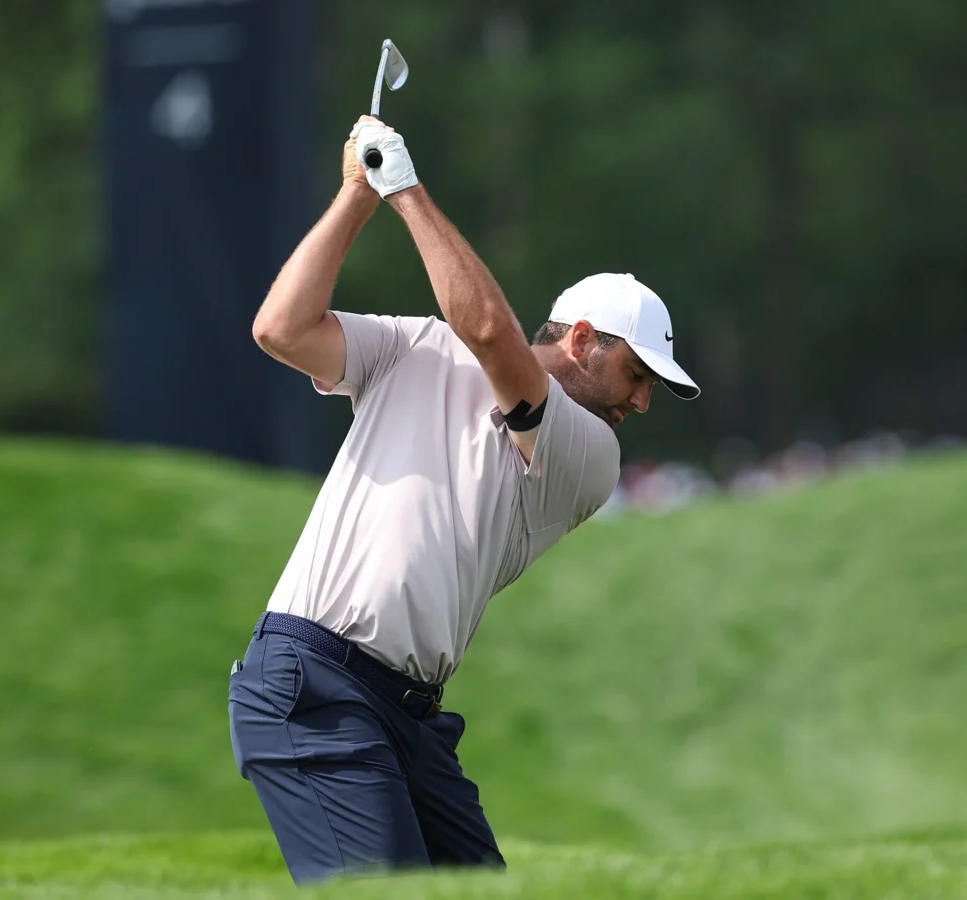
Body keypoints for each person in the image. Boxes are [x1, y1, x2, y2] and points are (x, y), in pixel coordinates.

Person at [227, 115, 700, 885]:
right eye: (636, 376)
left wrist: (404, 189)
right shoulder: (413, 346)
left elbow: (485, 329)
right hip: (314, 681)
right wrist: (357, 194)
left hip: (405, 714)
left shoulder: (590, 453)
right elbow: (280, 329)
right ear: (582, 340)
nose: (641, 402)